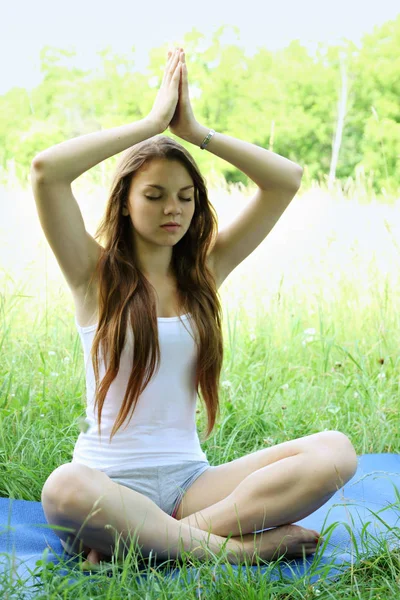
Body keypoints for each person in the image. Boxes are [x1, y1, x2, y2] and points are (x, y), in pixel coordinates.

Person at [31, 46, 358, 567]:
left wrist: (195, 132)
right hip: (106, 488)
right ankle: (237, 554)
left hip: (190, 485)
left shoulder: (206, 272)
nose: (173, 209)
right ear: (124, 200)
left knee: (336, 450)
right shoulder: (93, 277)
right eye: (155, 194)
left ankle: (152, 544)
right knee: (62, 487)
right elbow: (47, 171)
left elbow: (286, 179)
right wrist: (150, 124)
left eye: (185, 196)